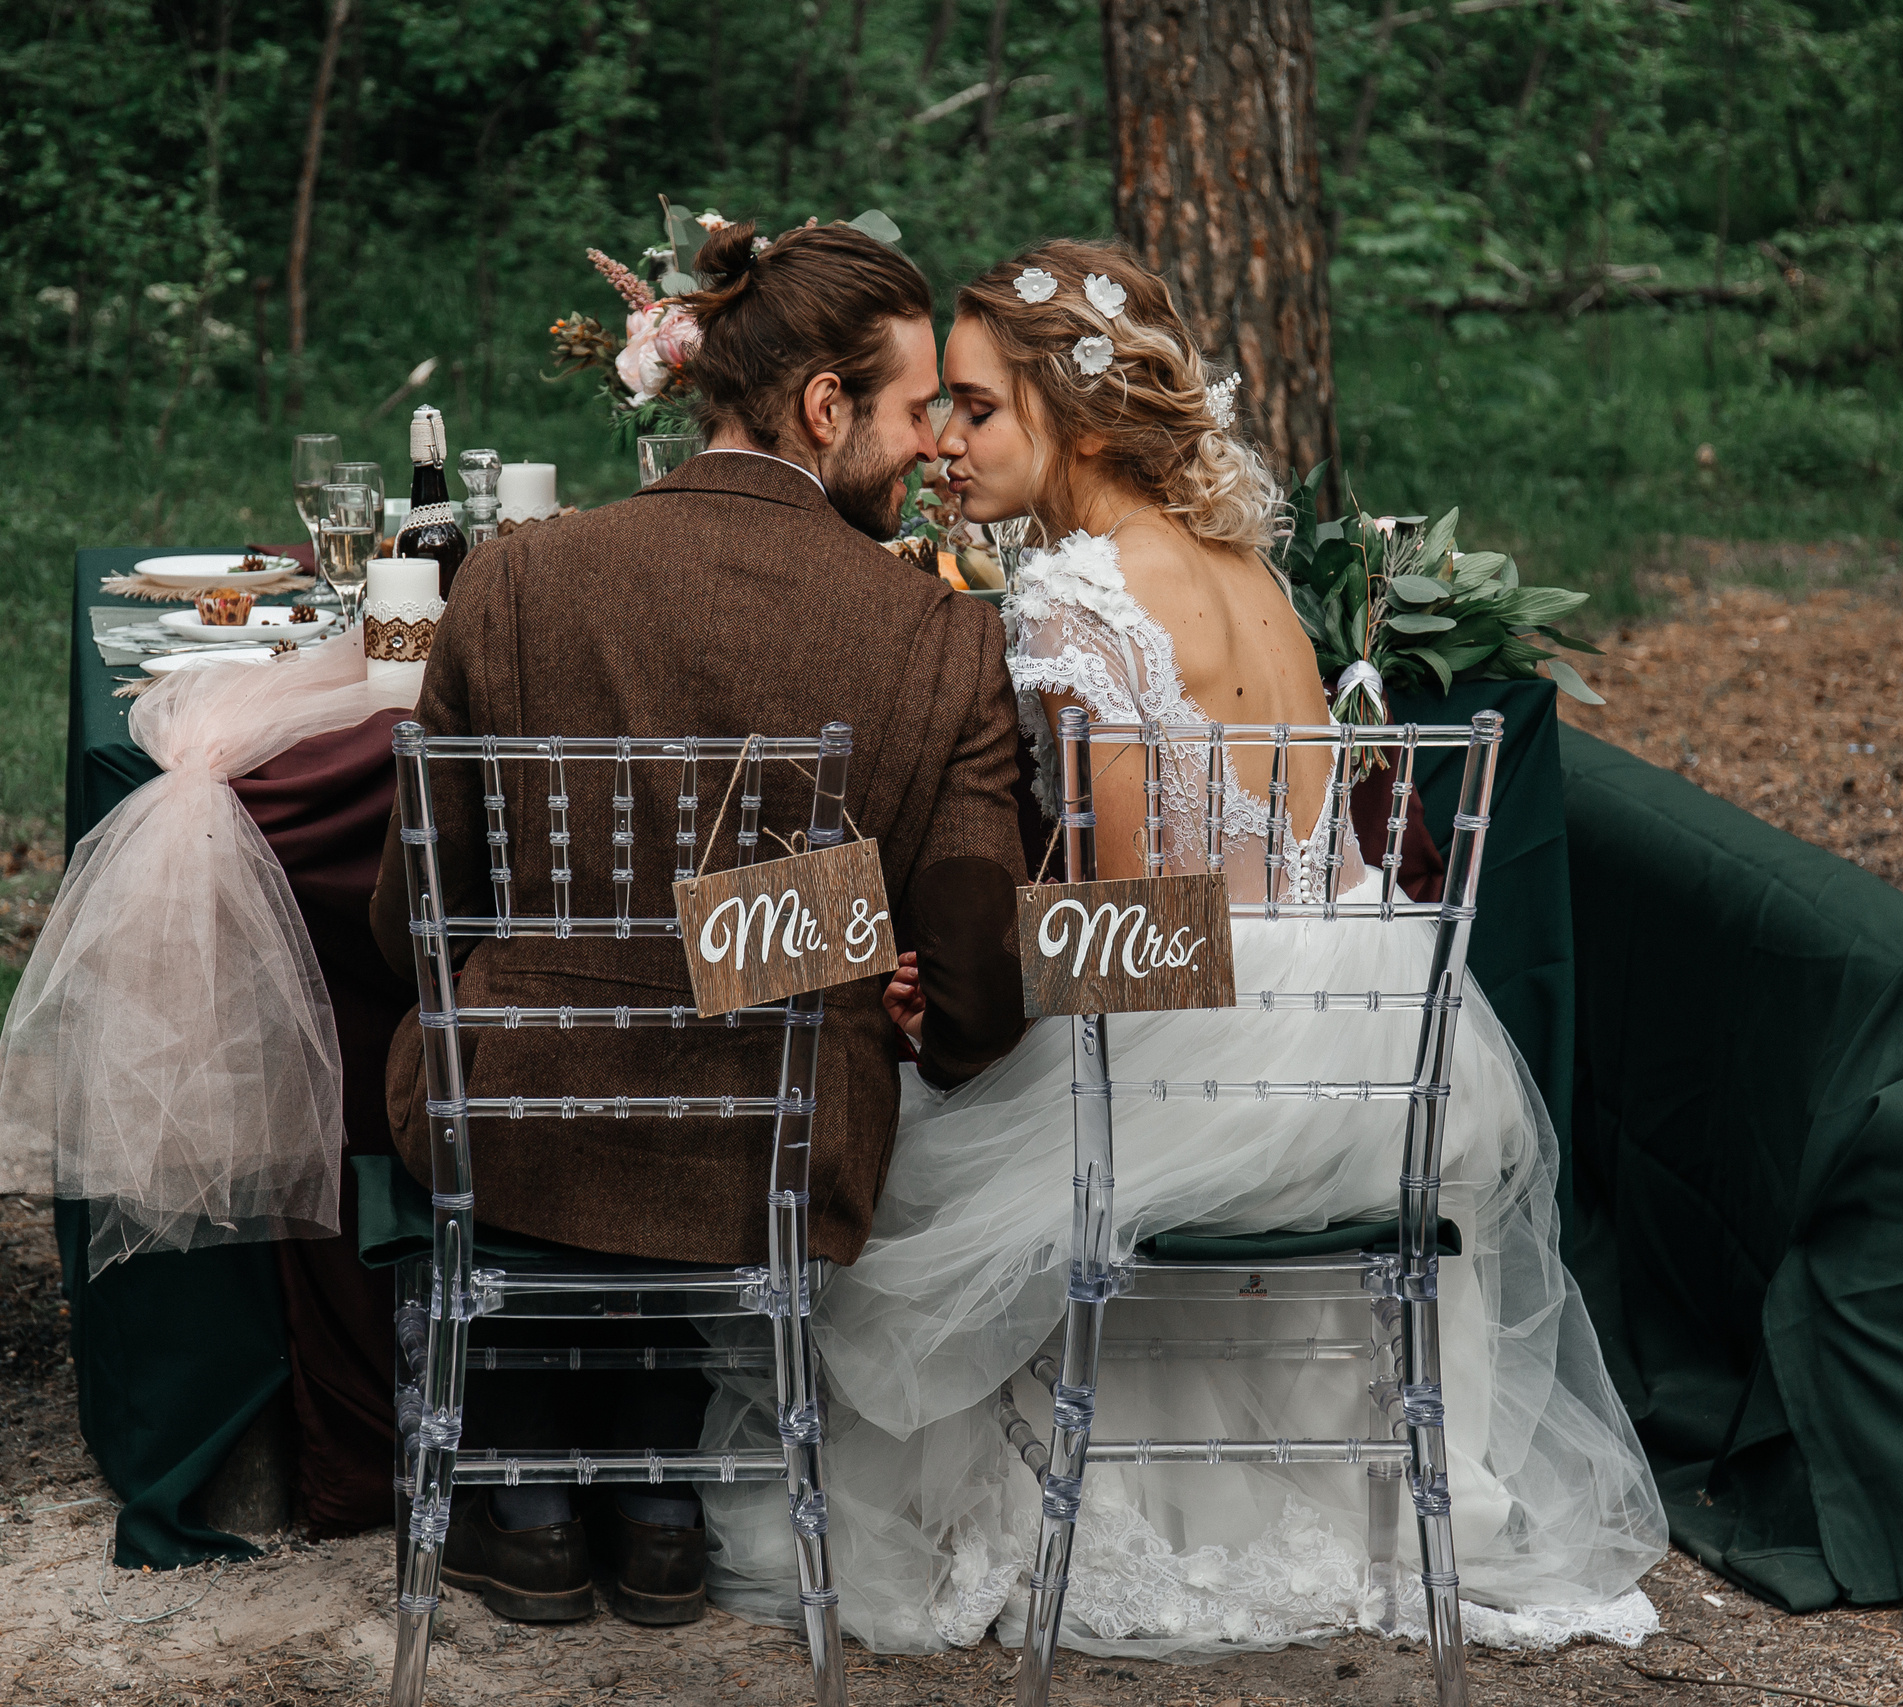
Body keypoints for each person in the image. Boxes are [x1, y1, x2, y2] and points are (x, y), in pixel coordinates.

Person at [703, 241, 1667, 1657]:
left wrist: (937, 985)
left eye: (978, 408)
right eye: (942, 407)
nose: (947, 441)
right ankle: (1306, 1491)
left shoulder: (1075, 598)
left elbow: (1130, 936)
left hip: (1205, 1043)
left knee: (901, 1136)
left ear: (1080, 423)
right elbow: (1294, 867)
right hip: (1378, 1050)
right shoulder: (1248, 571)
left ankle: (1110, 1508)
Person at [366, 220, 1029, 1626]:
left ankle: (531, 1501)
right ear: (825, 406)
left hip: (518, 1114)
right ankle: (661, 1506)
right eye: (919, 411)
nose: (933, 447)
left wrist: (557, 965)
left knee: (499, 1046)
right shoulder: (941, 635)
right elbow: (975, 991)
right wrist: (882, 986)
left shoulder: (515, 579)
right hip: (777, 1141)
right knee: (709, 1081)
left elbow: (416, 914)